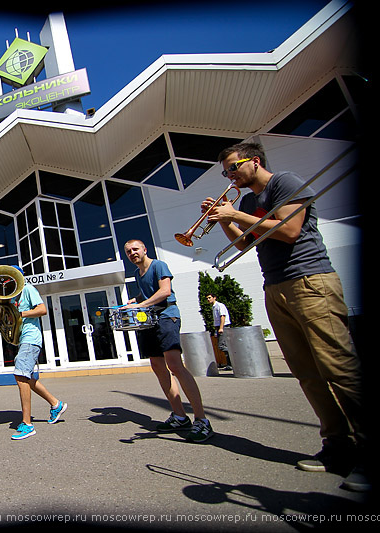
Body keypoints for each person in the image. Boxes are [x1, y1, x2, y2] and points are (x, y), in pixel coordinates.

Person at [205, 141, 367, 491]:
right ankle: (337, 446)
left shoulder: (285, 182)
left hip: (310, 281)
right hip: (275, 286)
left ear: (255, 161)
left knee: (338, 367)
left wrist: (236, 215)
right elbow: (245, 243)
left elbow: (289, 230)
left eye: (233, 167)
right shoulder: (248, 202)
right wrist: (223, 219)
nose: (230, 175)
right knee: (307, 373)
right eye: (226, 171)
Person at [122, 240, 214, 443]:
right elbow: (148, 292)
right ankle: (180, 416)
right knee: (157, 365)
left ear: (145, 249)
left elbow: (164, 291)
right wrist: (136, 300)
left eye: (135, 249)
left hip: (166, 317)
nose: (132, 253)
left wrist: (140, 306)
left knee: (174, 365)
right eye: (128, 251)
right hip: (150, 319)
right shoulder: (138, 274)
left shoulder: (158, 265)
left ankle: (202, 420)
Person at [0, 266, 66, 440]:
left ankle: (27, 424)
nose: (9, 280)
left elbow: (42, 309)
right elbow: (7, 316)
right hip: (23, 339)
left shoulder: (27, 289)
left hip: (31, 338)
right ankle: (56, 404)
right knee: (27, 379)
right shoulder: (10, 296)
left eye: (12, 277)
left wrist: (19, 314)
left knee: (20, 375)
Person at [206, 293, 232, 370]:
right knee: (224, 345)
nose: (208, 299)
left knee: (222, 346)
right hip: (218, 327)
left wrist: (221, 328)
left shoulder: (220, 306)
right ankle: (230, 364)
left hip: (223, 326)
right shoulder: (214, 307)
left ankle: (233, 360)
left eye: (210, 297)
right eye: (207, 298)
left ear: (214, 298)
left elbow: (222, 316)